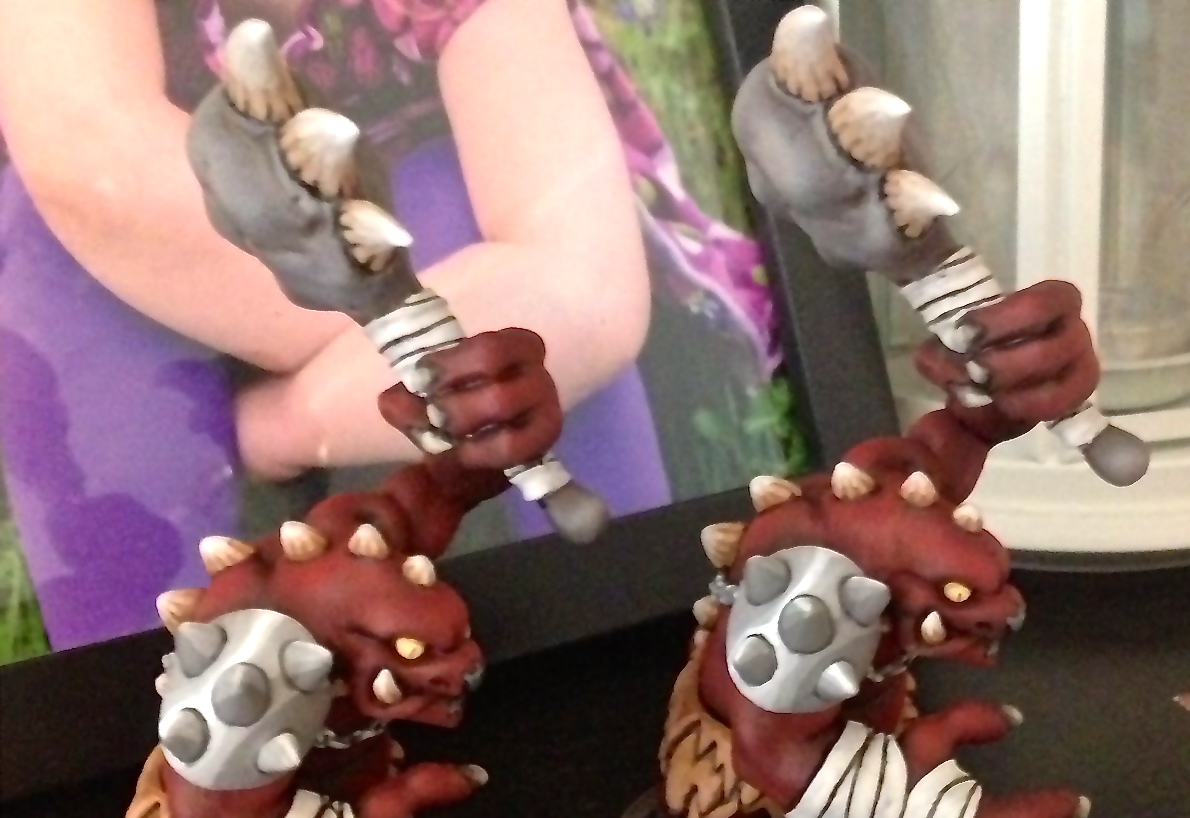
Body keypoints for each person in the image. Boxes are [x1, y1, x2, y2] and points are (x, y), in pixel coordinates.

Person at [0, 0, 780, 651]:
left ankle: (616, 647)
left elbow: (583, 286)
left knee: (471, 224)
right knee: (42, 255)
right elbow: (91, 163)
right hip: (187, 266)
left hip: (441, 260)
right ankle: (160, 687)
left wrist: (284, 423)